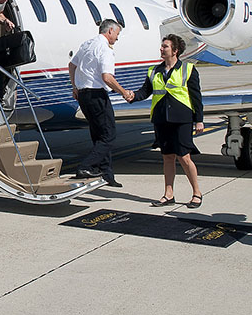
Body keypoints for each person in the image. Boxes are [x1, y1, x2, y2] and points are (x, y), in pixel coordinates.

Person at [130, 34, 205, 208]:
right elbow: (145, 91)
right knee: (167, 157)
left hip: (182, 119)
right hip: (161, 118)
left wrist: (199, 120)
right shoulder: (154, 71)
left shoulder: (188, 69)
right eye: (162, 46)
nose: (161, 49)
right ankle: (168, 194)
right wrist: (132, 96)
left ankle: (196, 193)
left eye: (165, 46)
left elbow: (196, 98)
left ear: (175, 51)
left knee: (184, 157)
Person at [68, 19, 133, 187]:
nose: (117, 38)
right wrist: (124, 92)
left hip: (83, 95)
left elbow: (71, 65)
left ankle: (106, 174)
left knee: (98, 135)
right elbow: (107, 77)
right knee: (109, 136)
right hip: (97, 95)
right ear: (110, 31)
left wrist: (75, 86)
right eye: (117, 34)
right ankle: (85, 166)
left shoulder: (87, 44)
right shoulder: (105, 49)